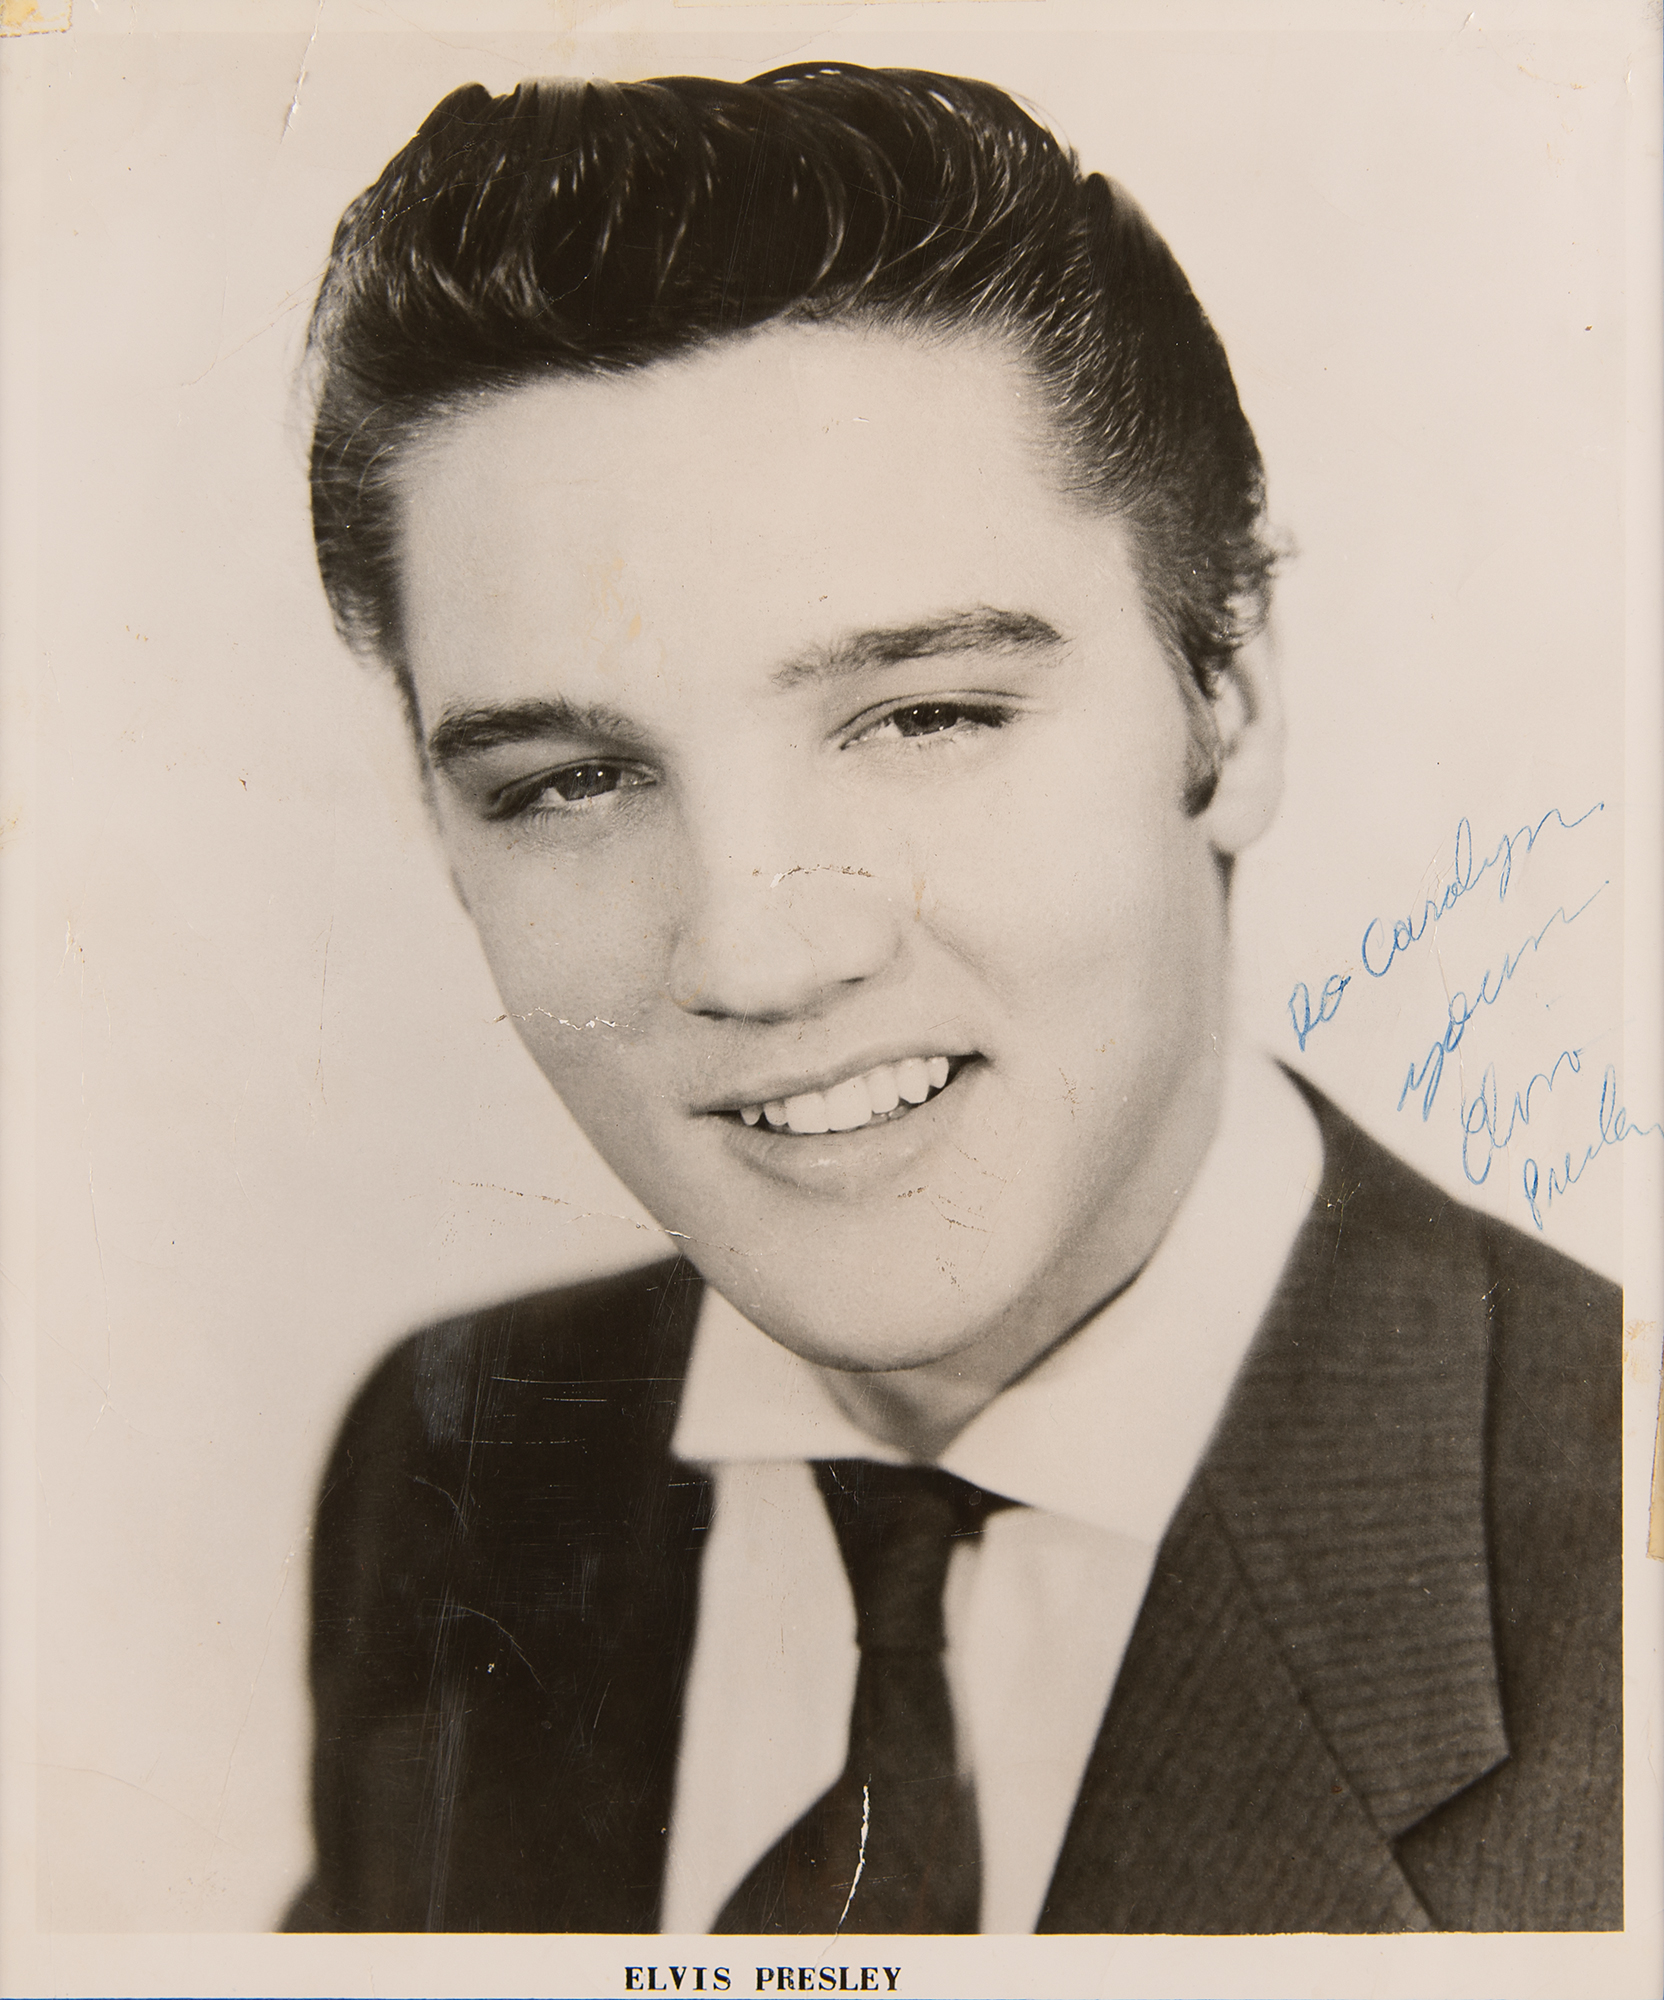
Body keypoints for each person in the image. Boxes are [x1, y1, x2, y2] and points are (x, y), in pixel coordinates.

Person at [284, 63, 1621, 1935]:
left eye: (923, 717)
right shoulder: (458, 1462)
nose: (755, 956)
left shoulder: (1617, 1565)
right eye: (570, 783)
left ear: (1228, 701)